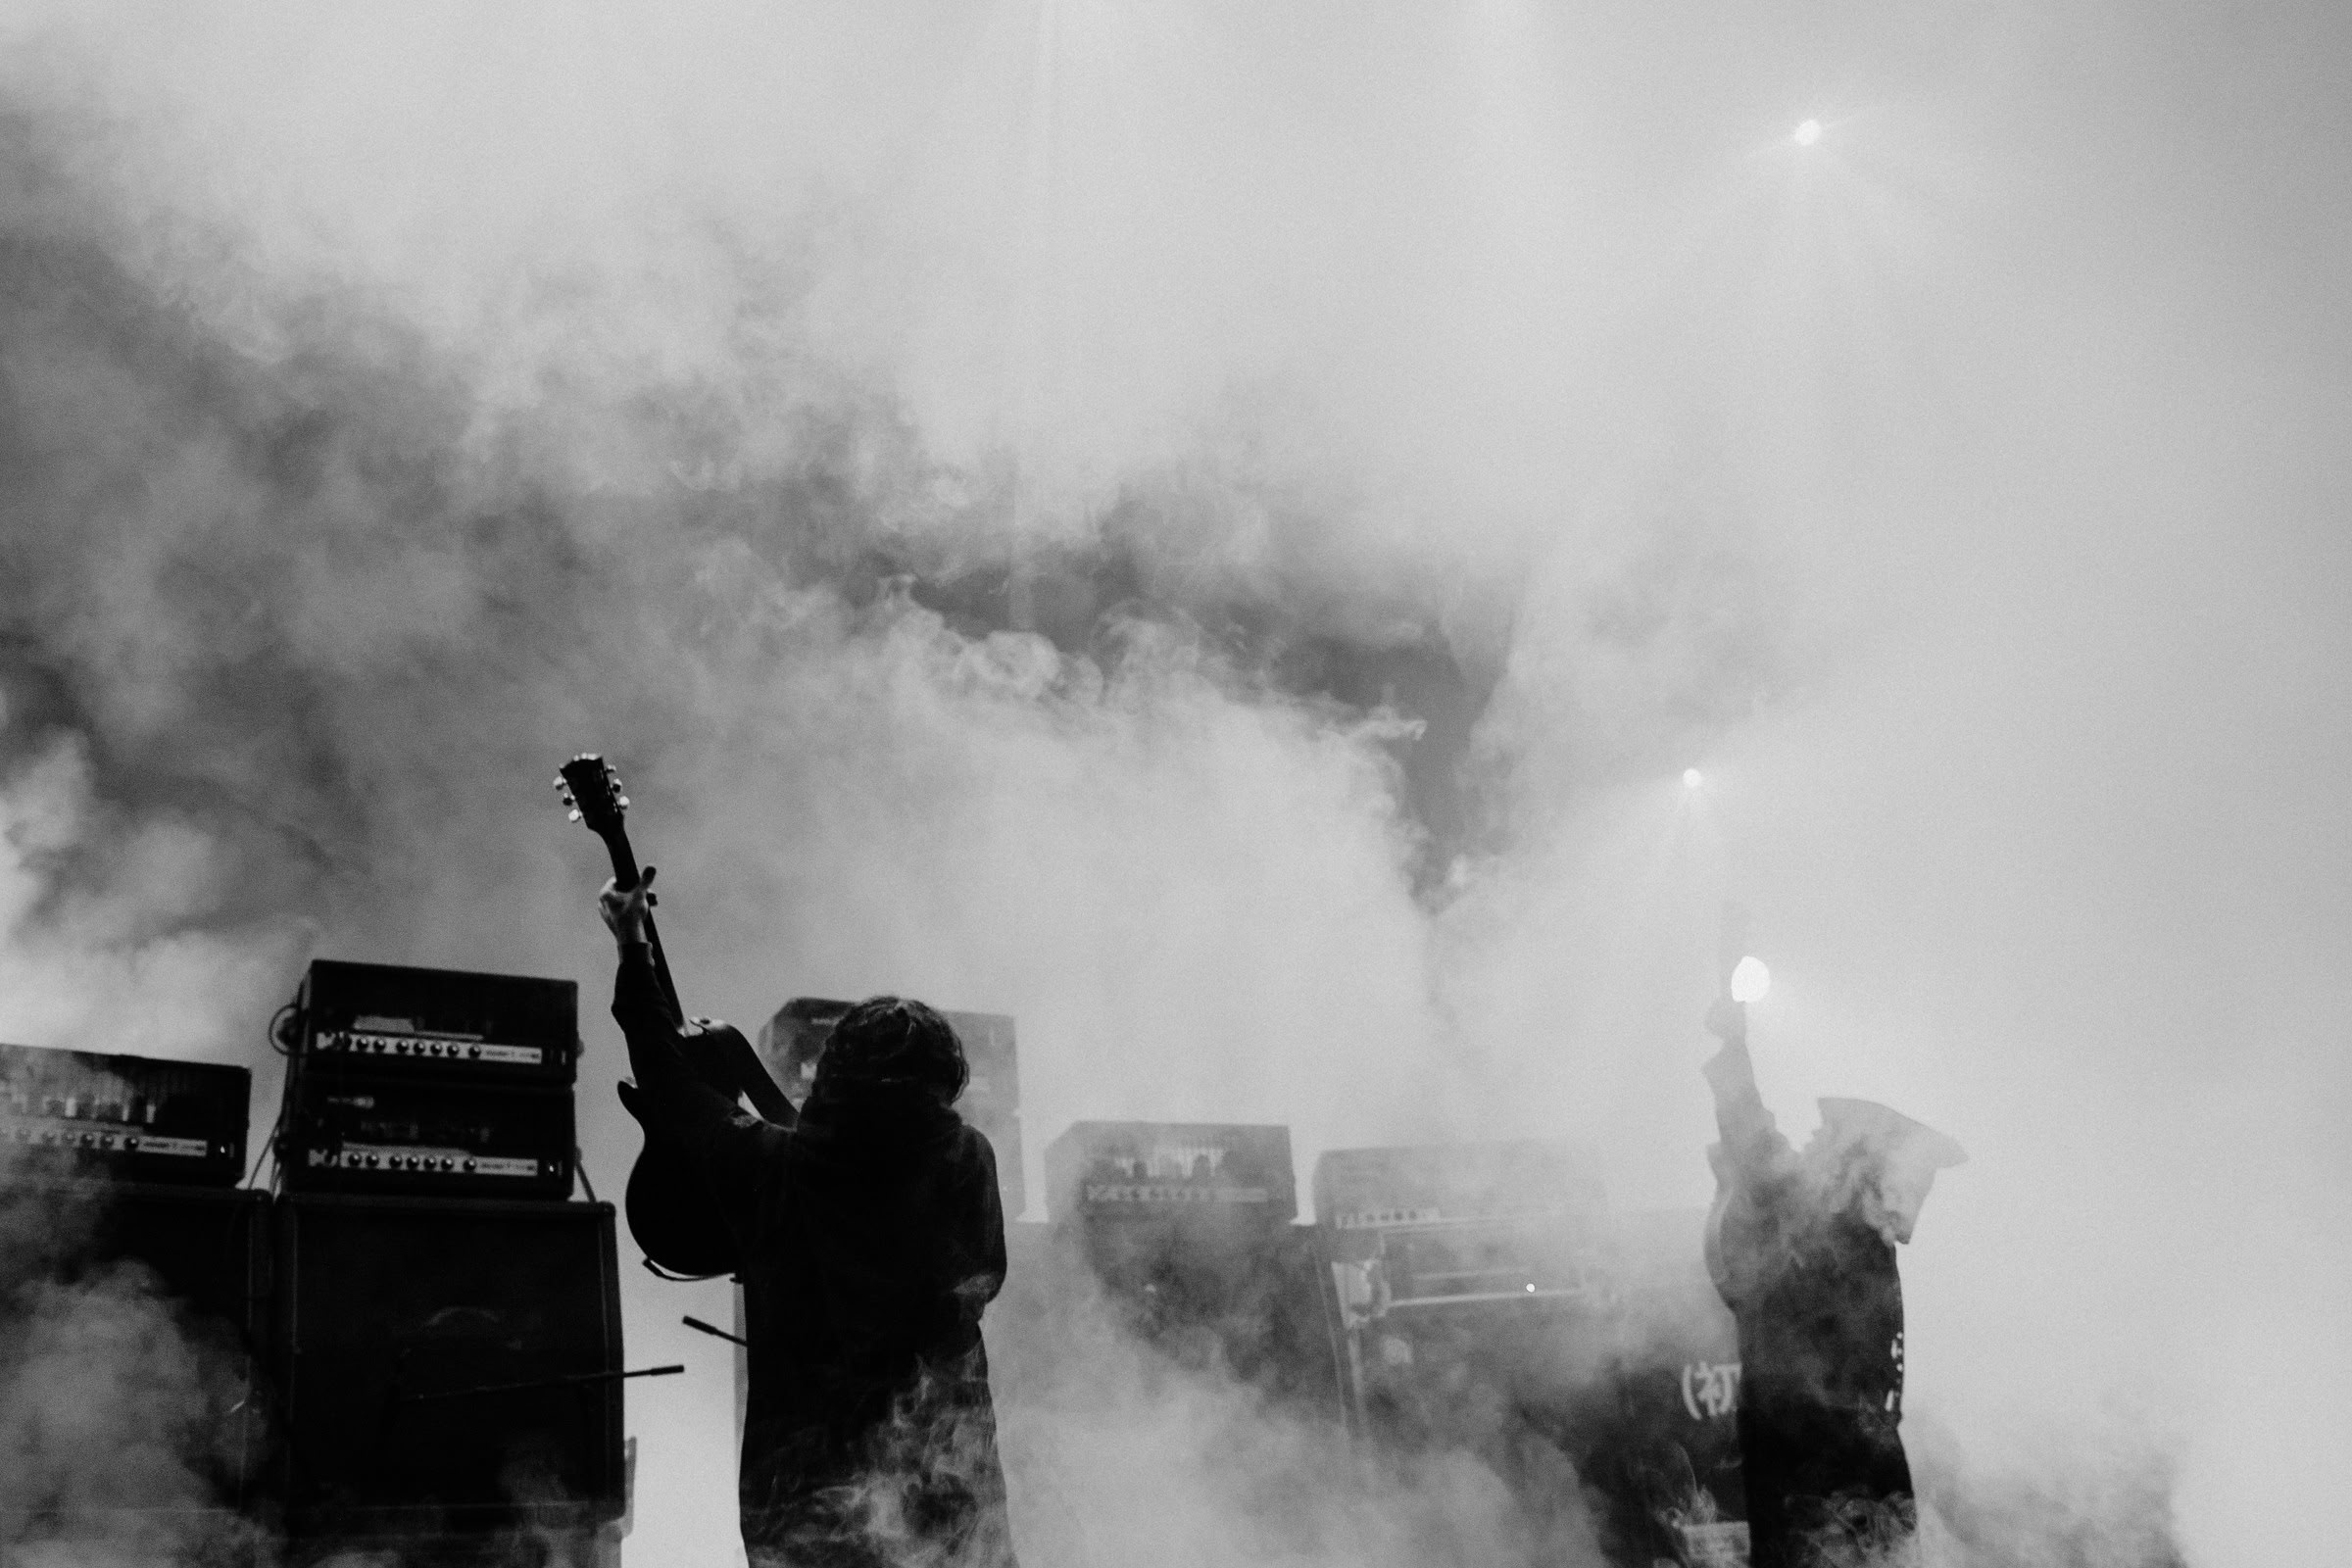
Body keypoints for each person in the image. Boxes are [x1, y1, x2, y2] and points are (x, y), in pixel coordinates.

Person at [598, 868, 1020, 1568]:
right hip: (945, 1491)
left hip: (799, 1498)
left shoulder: (766, 1166)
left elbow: (665, 1072)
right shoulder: (964, 1157)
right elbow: (984, 1278)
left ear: (831, 1078)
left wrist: (631, 941)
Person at [1699, 996, 1964, 1568]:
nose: (1912, 1209)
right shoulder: (1797, 1221)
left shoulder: (1870, 1247)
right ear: (1866, 1166)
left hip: (1866, 1492)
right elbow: (1752, 1142)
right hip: (1810, 1494)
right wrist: (1733, 1052)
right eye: (1910, 1179)